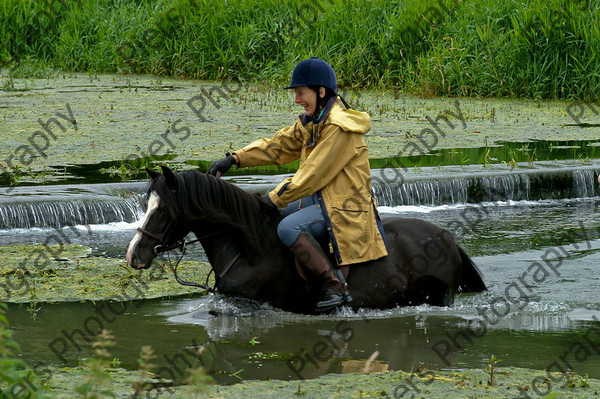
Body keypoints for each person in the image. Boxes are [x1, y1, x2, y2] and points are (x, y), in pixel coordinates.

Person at [208, 57, 387, 312]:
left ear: (321, 92)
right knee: (265, 213)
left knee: (288, 228)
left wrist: (274, 197)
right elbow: (278, 146)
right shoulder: (313, 122)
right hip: (322, 198)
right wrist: (235, 158)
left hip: (346, 206)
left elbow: (312, 175)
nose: (297, 100)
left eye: (301, 93)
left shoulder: (337, 128)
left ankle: (334, 286)